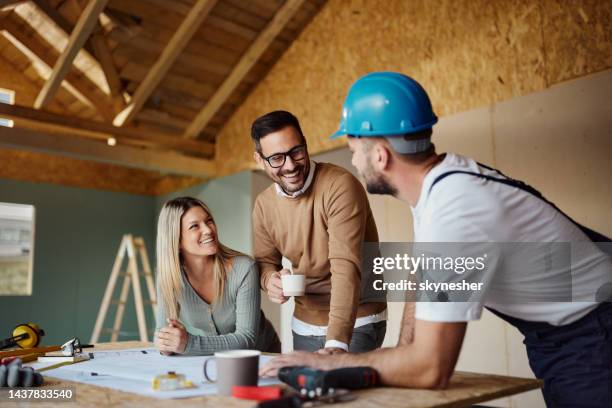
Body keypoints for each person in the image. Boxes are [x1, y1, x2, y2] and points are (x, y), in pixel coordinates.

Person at [260, 72, 612, 407]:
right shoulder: (440, 185)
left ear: (380, 155)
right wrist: (399, 355)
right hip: (564, 333)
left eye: (354, 148)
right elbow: (420, 277)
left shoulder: (455, 209)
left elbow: (431, 367)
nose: (353, 159)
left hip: (593, 331)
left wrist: (328, 363)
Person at [251, 110, 387, 354]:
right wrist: (270, 280)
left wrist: (336, 343)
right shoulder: (263, 205)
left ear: (305, 143)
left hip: (357, 320)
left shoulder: (339, 185)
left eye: (296, 152)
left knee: (344, 391)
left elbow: (346, 267)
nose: (290, 165)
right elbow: (265, 262)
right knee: (308, 391)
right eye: (277, 158)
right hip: (304, 324)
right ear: (260, 160)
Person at [154, 196, 280, 355]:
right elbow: (162, 334)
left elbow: (246, 339)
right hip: (218, 359)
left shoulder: (244, 269)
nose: (208, 230)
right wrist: (168, 344)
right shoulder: (168, 276)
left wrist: (188, 343)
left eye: (209, 221)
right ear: (176, 240)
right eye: (194, 226)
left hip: (264, 355)